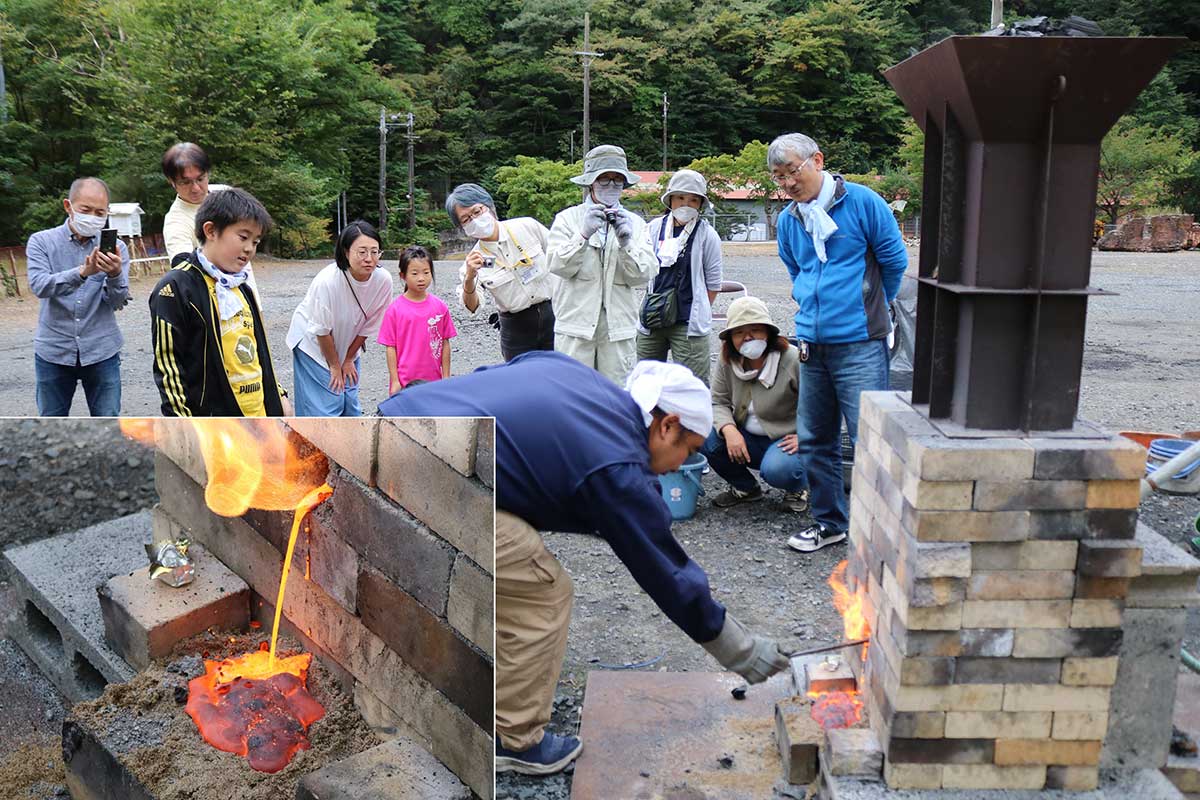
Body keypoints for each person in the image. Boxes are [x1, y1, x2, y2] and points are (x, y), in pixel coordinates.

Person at [378, 353, 790, 776]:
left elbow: (494, 375)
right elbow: (664, 568)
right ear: (666, 425)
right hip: (432, 470)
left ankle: (492, 686)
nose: (682, 464)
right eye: (689, 449)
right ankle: (515, 741)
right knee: (542, 591)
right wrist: (740, 649)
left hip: (403, 425)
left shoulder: (591, 386)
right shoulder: (615, 465)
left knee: (516, 563)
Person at [769, 133, 907, 553]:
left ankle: (882, 529)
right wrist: (812, 309)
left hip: (861, 344)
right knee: (816, 439)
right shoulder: (791, 219)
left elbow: (894, 261)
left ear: (817, 161)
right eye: (778, 178)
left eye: (792, 172)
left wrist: (871, 308)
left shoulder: (863, 202)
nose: (788, 184)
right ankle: (830, 523)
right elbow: (796, 270)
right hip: (812, 344)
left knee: (871, 438)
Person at [149, 187, 287, 416]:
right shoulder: (176, 288)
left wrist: (279, 395)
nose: (249, 249)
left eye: (255, 241)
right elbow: (169, 369)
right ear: (211, 230)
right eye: (243, 237)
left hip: (260, 416)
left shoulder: (241, 287)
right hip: (218, 427)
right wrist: (185, 427)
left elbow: (258, 350)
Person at [547, 144, 658, 384]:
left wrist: (627, 242)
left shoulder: (636, 224)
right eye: (604, 179)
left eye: (617, 180)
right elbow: (557, 265)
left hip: (619, 330)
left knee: (616, 395)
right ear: (590, 182)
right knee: (573, 394)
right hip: (575, 327)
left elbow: (644, 274)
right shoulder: (568, 219)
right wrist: (583, 235)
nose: (611, 185)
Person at [26, 177, 130, 416]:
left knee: (108, 420)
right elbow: (40, 286)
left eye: (100, 212)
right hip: (54, 349)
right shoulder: (41, 242)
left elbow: (117, 302)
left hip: (101, 349)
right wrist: (83, 273)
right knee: (51, 421)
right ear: (68, 206)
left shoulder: (117, 248)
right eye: (86, 210)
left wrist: (115, 275)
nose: (93, 216)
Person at [702, 296, 808, 512]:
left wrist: (806, 436)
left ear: (768, 332)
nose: (747, 338)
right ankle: (746, 488)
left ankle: (798, 487)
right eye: (739, 332)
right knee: (704, 435)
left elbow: (821, 403)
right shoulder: (727, 361)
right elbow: (717, 401)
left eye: (755, 330)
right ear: (730, 337)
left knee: (778, 469)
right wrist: (729, 430)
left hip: (786, 439)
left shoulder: (793, 359)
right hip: (748, 436)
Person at [286, 220, 393, 416]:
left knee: (350, 403)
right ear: (346, 252)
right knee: (325, 405)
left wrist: (349, 358)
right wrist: (335, 365)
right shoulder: (327, 281)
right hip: (313, 345)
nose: (369, 258)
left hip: (348, 343)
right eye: (362, 252)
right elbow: (321, 330)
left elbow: (370, 326)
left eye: (375, 252)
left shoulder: (383, 280)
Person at [445, 183, 556, 360]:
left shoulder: (527, 226)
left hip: (554, 315)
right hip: (516, 329)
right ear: (463, 229)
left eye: (477, 211)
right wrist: (469, 278)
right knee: (521, 383)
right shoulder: (473, 261)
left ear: (489, 206)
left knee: (562, 376)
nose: (474, 220)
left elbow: (560, 257)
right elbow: (472, 307)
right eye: (466, 219)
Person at [635, 169, 723, 383]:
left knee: (692, 384)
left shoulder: (707, 234)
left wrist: (699, 307)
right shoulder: (654, 228)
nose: (686, 204)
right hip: (653, 317)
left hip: (687, 322)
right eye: (681, 198)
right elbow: (640, 266)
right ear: (670, 200)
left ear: (700, 204)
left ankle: (690, 418)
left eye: (693, 200)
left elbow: (713, 282)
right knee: (645, 381)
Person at [160, 142, 259, 298]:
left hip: (248, 295)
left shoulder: (226, 194)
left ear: (208, 173)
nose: (196, 188)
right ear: (171, 181)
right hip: (217, 307)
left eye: (200, 179)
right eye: (185, 182)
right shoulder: (176, 222)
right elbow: (184, 270)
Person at [378, 245, 456, 394]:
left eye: (426, 272)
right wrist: (394, 381)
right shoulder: (395, 309)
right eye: (414, 273)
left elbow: (445, 343)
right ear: (403, 276)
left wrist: (446, 377)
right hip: (405, 382)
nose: (421, 278)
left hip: (434, 381)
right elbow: (390, 347)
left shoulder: (440, 307)